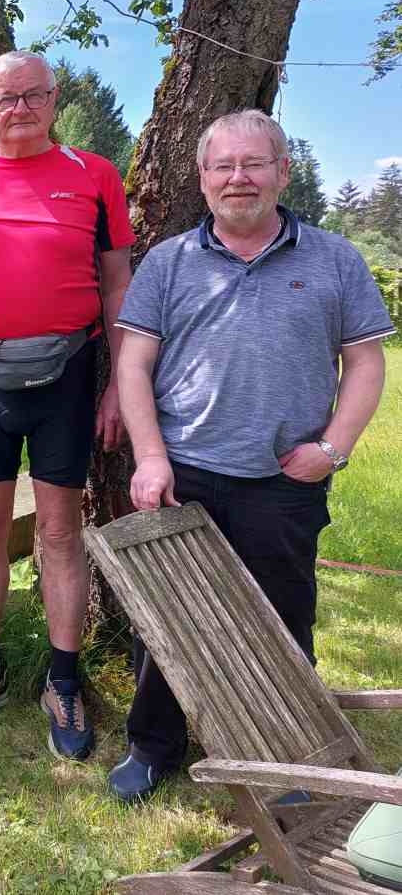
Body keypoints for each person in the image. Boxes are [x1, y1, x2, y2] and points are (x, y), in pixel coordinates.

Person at [110, 108, 392, 802]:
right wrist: (150, 457)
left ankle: (289, 756)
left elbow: (364, 362)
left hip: (284, 479)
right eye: (223, 166)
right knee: (169, 622)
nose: (239, 178)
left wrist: (334, 447)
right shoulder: (169, 263)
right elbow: (133, 365)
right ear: (202, 178)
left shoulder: (335, 258)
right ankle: (153, 747)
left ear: (282, 171)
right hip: (184, 475)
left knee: (284, 620)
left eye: (253, 163)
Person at [0, 50, 134, 761]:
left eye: (32, 95)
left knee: (59, 531)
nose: (19, 108)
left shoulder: (96, 176)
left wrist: (118, 385)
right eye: (4, 98)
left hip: (68, 375)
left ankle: (63, 680)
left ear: (54, 100)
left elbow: (116, 288)